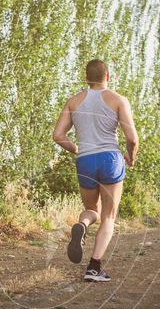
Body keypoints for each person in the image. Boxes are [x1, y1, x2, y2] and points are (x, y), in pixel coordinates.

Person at [52, 59, 139, 282]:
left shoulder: (73, 101)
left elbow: (58, 136)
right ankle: (94, 267)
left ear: (86, 78)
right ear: (107, 76)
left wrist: (76, 149)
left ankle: (82, 225)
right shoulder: (118, 99)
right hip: (110, 158)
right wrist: (131, 157)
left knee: (92, 209)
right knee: (109, 216)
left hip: (85, 160)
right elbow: (132, 138)